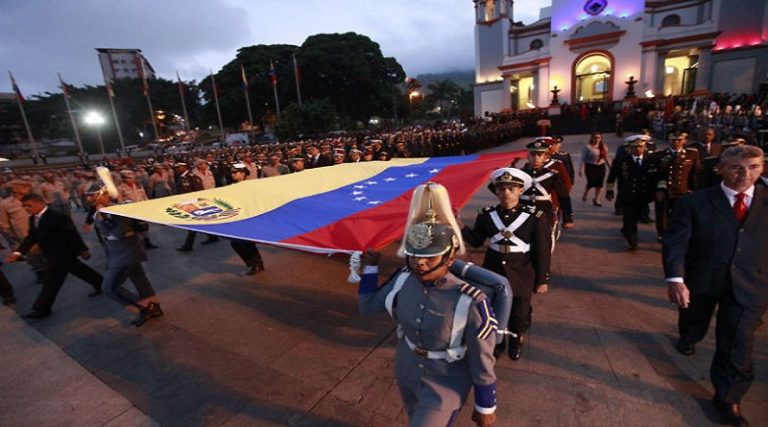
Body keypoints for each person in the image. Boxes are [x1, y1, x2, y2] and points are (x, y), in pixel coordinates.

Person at [358, 182, 499, 427]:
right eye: (415, 255)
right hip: (407, 369)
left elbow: (482, 358)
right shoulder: (403, 280)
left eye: (430, 257)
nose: (420, 264)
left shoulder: (471, 300)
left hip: (447, 381)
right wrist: (370, 268)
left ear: (450, 256)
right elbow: (368, 307)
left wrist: (486, 404)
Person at [663, 144, 767, 426]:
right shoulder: (693, 203)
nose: (745, 174)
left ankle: (728, 398)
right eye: (736, 167)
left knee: (738, 341)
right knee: (695, 319)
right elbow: (676, 243)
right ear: (720, 168)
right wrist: (676, 278)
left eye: (754, 167)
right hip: (703, 279)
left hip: (751, 285)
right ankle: (689, 335)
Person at [461, 168, 551, 360]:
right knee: (493, 308)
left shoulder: (535, 216)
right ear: (496, 192)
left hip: (522, 270)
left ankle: (517, 338)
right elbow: (477, 240)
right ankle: (496, 341)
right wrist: (459, 225)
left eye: (511, 189)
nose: (506, 193)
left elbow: (542, 251)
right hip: (493, 269)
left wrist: (542, 279)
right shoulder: (487, 215)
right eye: (501, 189)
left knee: (519, 313)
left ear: (520, 191)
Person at [5, 193, 103, 319]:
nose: (27, 209)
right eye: (24, 207)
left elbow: (71, 234)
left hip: (62, 255)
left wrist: (82, 250)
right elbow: (31, 237)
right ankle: (102, 284)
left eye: (29, 206)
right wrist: (18, 252)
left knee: (51, 282)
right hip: (52, 254)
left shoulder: (57, 216)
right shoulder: (33, 219)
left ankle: (42, 308)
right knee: (80, 271)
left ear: (40, 203)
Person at [88, 185, 163, 327]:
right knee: (140, 281)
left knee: (109, 288)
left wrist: (104, 219)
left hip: (126, 254)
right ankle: (154, 308)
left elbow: (118, 233)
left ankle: (144, 308)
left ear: (104, 195)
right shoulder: (100, 211)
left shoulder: (117, 211)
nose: (88, 198)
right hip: (119, 253)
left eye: (92, 195)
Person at [606, 135, 657, 249]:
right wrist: (609, 191)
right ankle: (632, 239)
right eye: (635, 147)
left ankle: (627, 229)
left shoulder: (650, 160)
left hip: (643, 195)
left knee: (638, 215)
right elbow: (612, 176)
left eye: (640, 147)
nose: (638, 149)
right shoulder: (621, 161)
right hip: (627, 194)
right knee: (630, 217)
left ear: (644, 147)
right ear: (630, 148)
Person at [651, 132, 701, 241]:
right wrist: (659, 189)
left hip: (682, 189)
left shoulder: (691, 154)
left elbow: (695, 173)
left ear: (684, 141)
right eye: (673, 140)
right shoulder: (660, 155)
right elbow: (657, 174)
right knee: (662, 213)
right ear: (668, 141)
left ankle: (678, 233)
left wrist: (692, 189)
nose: (676, 142)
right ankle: (662, 233)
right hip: (665, 189)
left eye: (679, 140)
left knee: (680, 214)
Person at [227, 163, 265, 275]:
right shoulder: (231, 186)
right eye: (232, 173)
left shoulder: (250, 186)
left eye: (235, 172)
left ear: (243, 173)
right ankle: (254, 264)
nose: (233, 175)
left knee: (246, 243)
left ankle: (255, 265)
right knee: (236, 243)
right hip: (237, 218)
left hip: (248, 217)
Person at [579, 132, 610, 206]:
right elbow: (582, 158)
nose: (597, 139)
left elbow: (606, 157)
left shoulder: (604, 146)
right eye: (595, 137)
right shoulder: (588, 147)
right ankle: (586, 192)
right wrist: (580, 169)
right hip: (590, 167)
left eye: (599, 137)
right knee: (591, 182)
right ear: (592, 138)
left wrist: (611, 167)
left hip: (601, 166)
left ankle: (596, 199)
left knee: (599, 184)